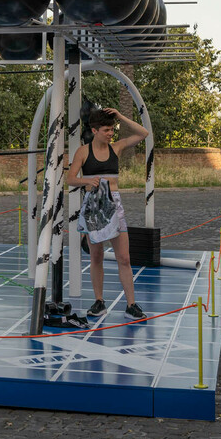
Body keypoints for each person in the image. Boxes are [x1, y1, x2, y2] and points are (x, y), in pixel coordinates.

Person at [66, 108, 149, 320]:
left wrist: (120, 116)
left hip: (114, 205)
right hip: (94, 206)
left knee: (124, 257)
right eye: (106, 130)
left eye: (112, 129)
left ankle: (131, 304)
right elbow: (70, 179)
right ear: (94, 130)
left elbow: (143, 134)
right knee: (96, 256)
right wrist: (86, 181)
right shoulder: (83, 152)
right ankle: (99, 301)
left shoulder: (117, 148)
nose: (110, 133)